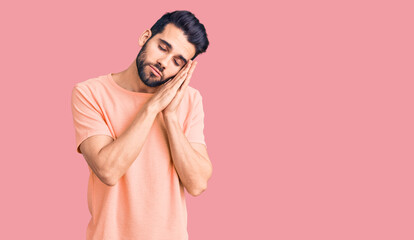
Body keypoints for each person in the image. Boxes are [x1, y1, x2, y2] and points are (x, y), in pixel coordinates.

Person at [70, 10, 212, 240]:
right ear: (145, 37)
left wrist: (171, 117)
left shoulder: (190, 100)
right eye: (163, 47)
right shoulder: (90, 93)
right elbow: (108, 170)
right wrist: (152, 107)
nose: (164, 63)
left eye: (177, 61)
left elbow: (197, 184)